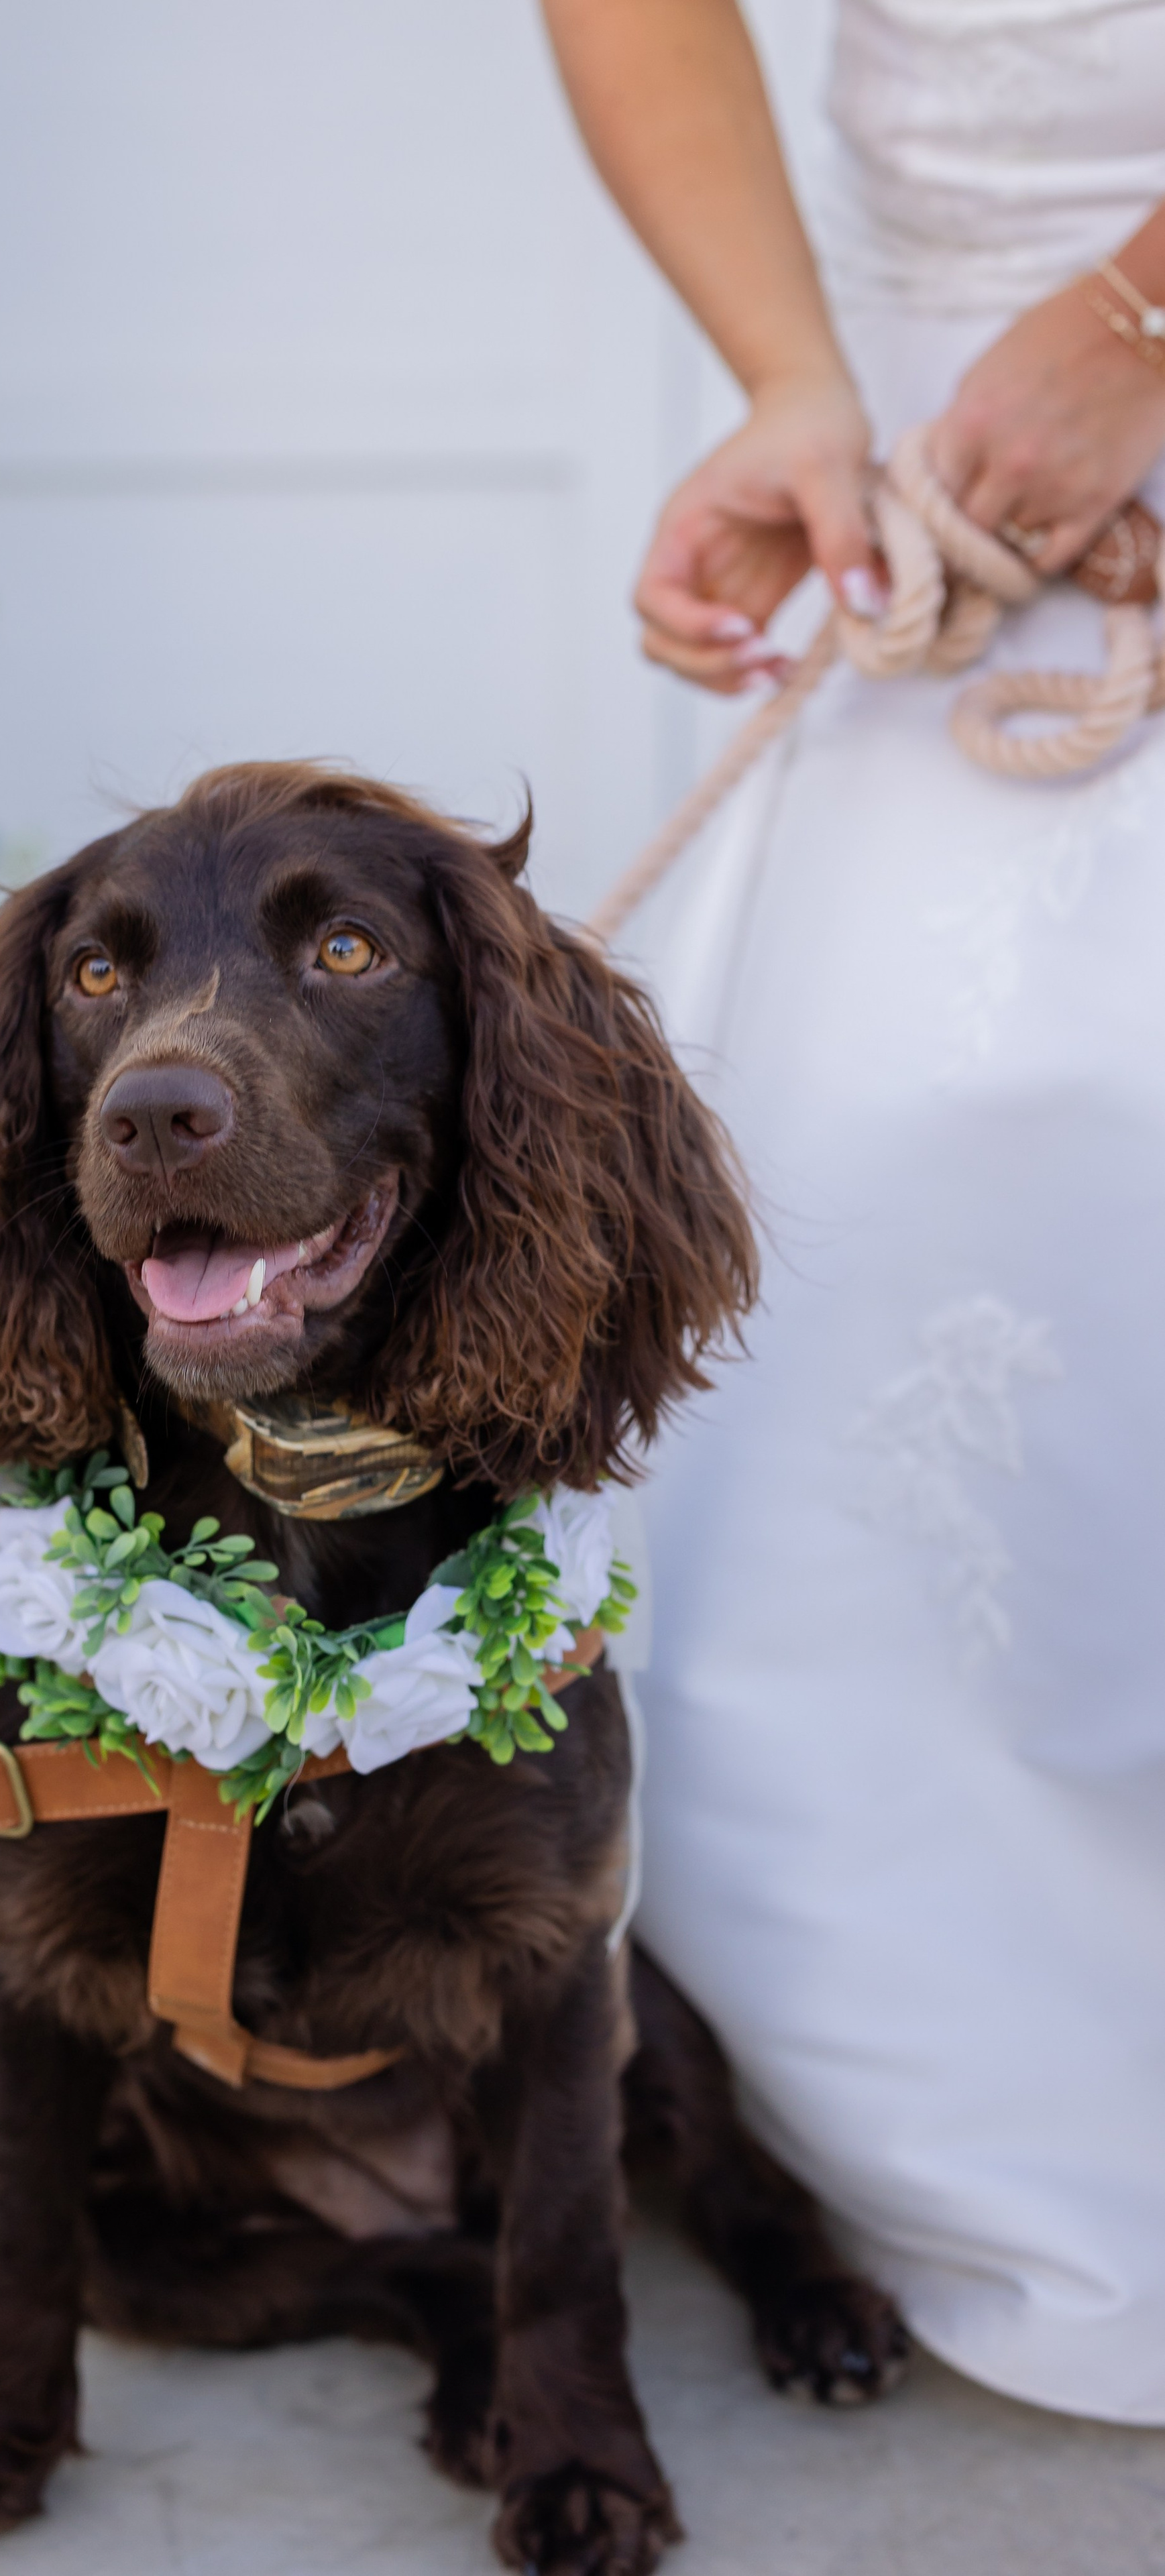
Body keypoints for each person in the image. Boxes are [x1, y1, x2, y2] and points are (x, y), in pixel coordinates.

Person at [540, 0, 1165, 2422]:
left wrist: (1141, 313)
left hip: (1083, 346)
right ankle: (942, 2120)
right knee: (824, 1274)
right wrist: (796, 382)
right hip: (948, 433)